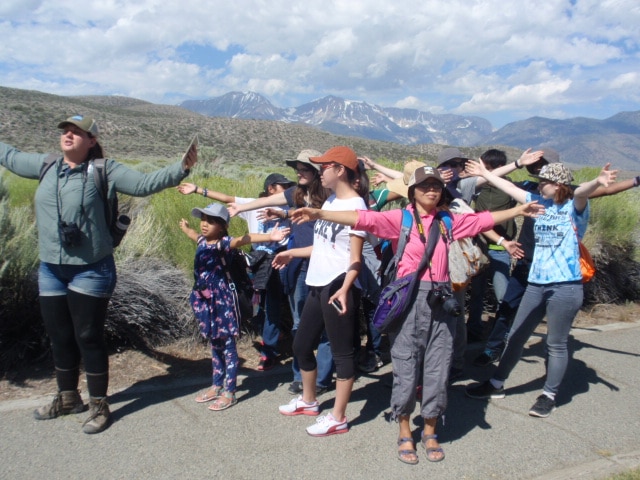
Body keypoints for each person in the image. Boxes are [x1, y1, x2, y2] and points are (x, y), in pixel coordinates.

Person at [287, 165, 543, 461]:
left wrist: (519, 210)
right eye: (424, 185)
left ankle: (431, 429)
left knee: (438, 368)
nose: (431, 190)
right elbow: (363, 218)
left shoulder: (449, 221)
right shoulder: (401, 218)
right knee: (406, 367)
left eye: (435, 185)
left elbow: (482, 220)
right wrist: (320, 214)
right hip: (409, 301)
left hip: (442, 300)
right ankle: (405, 429)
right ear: (413, 192)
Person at [0, 115, 198, 434]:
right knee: (59, 336)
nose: (68, 134)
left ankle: (98, 405)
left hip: (91, 271)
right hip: (51, 269)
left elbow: (144, 183)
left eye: (77, 132)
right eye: (65, 130)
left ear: (91, 140)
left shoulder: (104, 170)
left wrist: (181, 167)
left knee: (88, 337)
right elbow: (8, 156)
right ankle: (67, 398)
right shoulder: (46, 165)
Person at [465, 159, 617, 417]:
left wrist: (597, 182)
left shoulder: (575, 207)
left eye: (544, 181)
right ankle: (496, 382)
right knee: (515, 335)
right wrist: (484, 174)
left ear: (558, 184)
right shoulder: (538, 204)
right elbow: (512, 190)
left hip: (565, 286)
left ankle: (549, 394)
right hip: (536, 283)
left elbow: (580, 192)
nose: (539, 185)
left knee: (556, 344)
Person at [472, 149, 640, 367]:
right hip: (526, 261)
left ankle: (550, 357)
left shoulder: (572, 196)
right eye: (536, 167)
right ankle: (493, 349)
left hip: (556, 271)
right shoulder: (533, 190)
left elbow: (605, 190)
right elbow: (506, 186)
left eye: (542, 166)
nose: (537, 171)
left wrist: (634, 181)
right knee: (507, 307)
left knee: (550, 316)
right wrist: (486, 173)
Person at [273, 146, 367, 437]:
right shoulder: (332, 201)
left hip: (337, 285)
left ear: (339, 170)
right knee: (301, 346)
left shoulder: (357, 208)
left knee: (342, 354)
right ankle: (309, 401)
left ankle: (338, 417)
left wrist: (345, 289)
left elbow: (355, 258)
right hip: (317, 282)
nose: (320, 172)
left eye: (324, 167)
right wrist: (294, 253)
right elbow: (324, 246)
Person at [227, 150, 335, 396]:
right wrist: (241, 207)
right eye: (298, 168)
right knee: (300, 321)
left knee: (327, 323)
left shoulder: (329, 196)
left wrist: (286, 213)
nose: (299, 172)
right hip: (298, 263)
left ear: (318, 171)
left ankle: (323, 377)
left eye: (304, 168)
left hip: (324, 263)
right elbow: (266, 200)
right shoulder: (295, 193)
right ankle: (300, 375)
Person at [177, 172, 295, 371]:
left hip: (280, 259)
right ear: (271, 188)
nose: (290, 191)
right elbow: (227, 198)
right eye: (285, 187)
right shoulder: (254, 204)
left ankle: (269, 350)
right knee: (250, 303)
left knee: (273, 304)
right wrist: (197, 189)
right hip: (256, 260)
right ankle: (272, 334)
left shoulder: (290, 208)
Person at [179, 203, 290, 411]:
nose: (204, 224)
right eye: (203, 219)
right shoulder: (204, 241)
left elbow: (243, 240)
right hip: (206, 300)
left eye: (210, 221)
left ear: (222, 226)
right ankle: (216, 385)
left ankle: (229, 391)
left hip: (222, 300)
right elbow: (195, 236)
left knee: (228, 345)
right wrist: (185, 228)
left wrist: (269, 237)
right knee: (215, 343)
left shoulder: (223, 244)